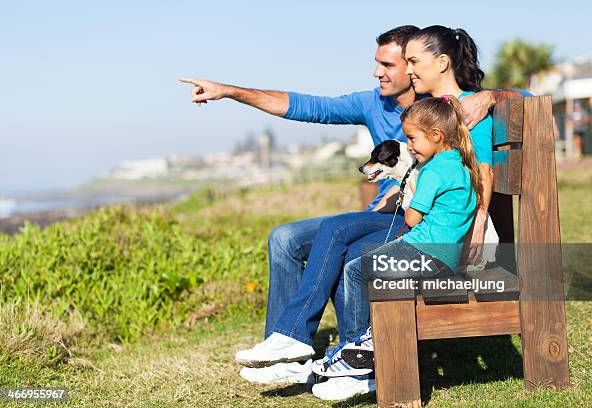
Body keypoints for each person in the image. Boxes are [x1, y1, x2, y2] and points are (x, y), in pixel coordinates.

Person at [178, 26, 521, 387]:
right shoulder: (381, 103)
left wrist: (493, 95)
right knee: (286, 237)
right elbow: (309, 107)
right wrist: (229, 91)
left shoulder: (456, 111)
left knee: (344, 241)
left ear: (420, 65)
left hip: (420, 227)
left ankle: (348, 356)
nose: (379, 72)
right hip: (396, 217)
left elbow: (484, 157)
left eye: (398, 63)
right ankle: (290, 346)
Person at [310, 25, 497, 401]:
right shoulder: (439, 115)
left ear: (442, 63)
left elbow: (481, 174)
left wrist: (476, 229)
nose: (407, 70)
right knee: (350, 247)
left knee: (359, 259)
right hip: (434, 236)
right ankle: (361, 352)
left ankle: (363, 355)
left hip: (450, 244)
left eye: (413, 61)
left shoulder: (466, 114)